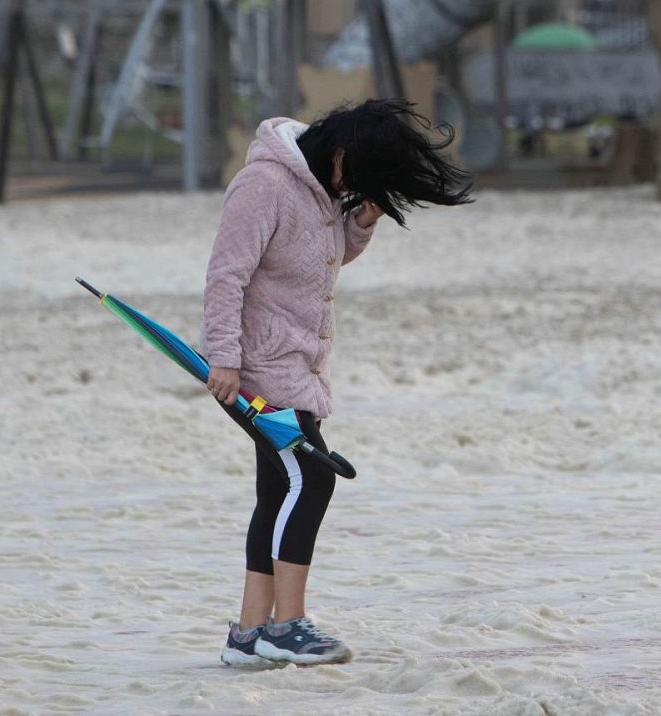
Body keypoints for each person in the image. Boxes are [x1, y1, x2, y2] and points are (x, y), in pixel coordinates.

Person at [202, 99, 472, 666]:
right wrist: (222, 358)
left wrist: (362, 222)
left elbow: (322, 258)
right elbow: (226, 276)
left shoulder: (324, 186)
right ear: (341, 153)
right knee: (313, 480)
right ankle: (288, 626)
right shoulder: (263, 185)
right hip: (260, 373)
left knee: (278, 491)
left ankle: (250, 635)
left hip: (301, 369)